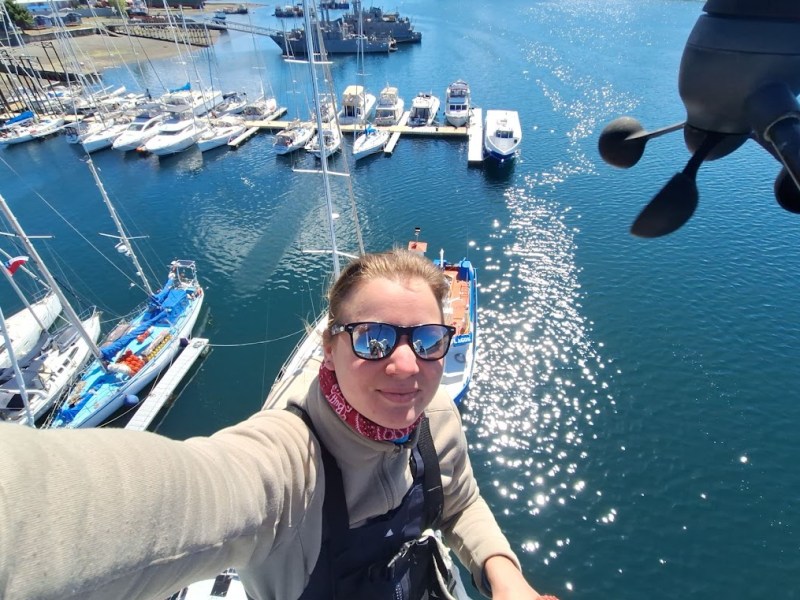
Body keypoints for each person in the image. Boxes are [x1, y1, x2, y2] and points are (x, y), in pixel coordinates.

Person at [0, 249, 559, 600]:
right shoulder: (289, 462)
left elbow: (459, 503)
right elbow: (171, 493)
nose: (408, 366)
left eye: (429, 340)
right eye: (374, 340)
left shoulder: (435, 419)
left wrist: (502, 572)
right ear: (330, 348)